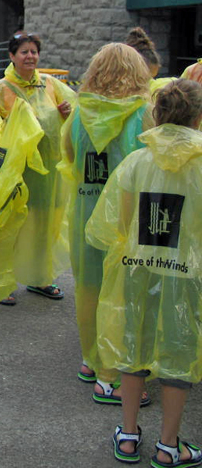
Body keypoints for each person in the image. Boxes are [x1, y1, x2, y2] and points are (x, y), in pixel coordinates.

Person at [86, 79, 202, 467]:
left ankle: (129, 434)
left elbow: (117, 226)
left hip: (136, 270)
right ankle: (169, 447)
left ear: (156, 114)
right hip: (186, 276)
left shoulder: (136, 162)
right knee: (179, 353)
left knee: (133, 346)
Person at [58, 43, 154, 406]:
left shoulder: (80, 113)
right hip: (127, 219)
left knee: (89, 288)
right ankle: (112, 377)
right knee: (126, 295)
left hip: (85, 214)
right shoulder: (143, 113)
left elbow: (68, 157)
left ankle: (91, 360)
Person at [0, 32, 75, 301]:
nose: (30, 56)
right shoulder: (1, 88)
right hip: (19, 170)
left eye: (34, 52)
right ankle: (3, 283)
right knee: (12, 226)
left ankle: (41, 278)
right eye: (24, 52)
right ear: (12, 56)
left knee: (45, 225)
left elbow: (72, 113)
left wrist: (67, 112)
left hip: (50, 170)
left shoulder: (50, 84)